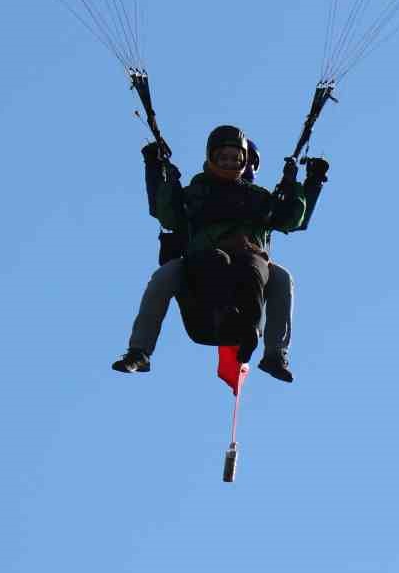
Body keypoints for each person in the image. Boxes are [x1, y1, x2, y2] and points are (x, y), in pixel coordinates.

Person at [112, 126, 326, 382]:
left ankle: (275, 355)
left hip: (249, 270)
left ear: (244, 162)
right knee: (166, 276)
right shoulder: (196, 193)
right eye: (222, 157)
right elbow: (169, 216)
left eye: (235, 158)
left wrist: (295, 187)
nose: (228, 163)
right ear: (211, 158)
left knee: (280, 278)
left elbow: (291, 219)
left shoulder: (259, 199)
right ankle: (139, 351)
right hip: (203, 280)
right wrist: (165, 179)